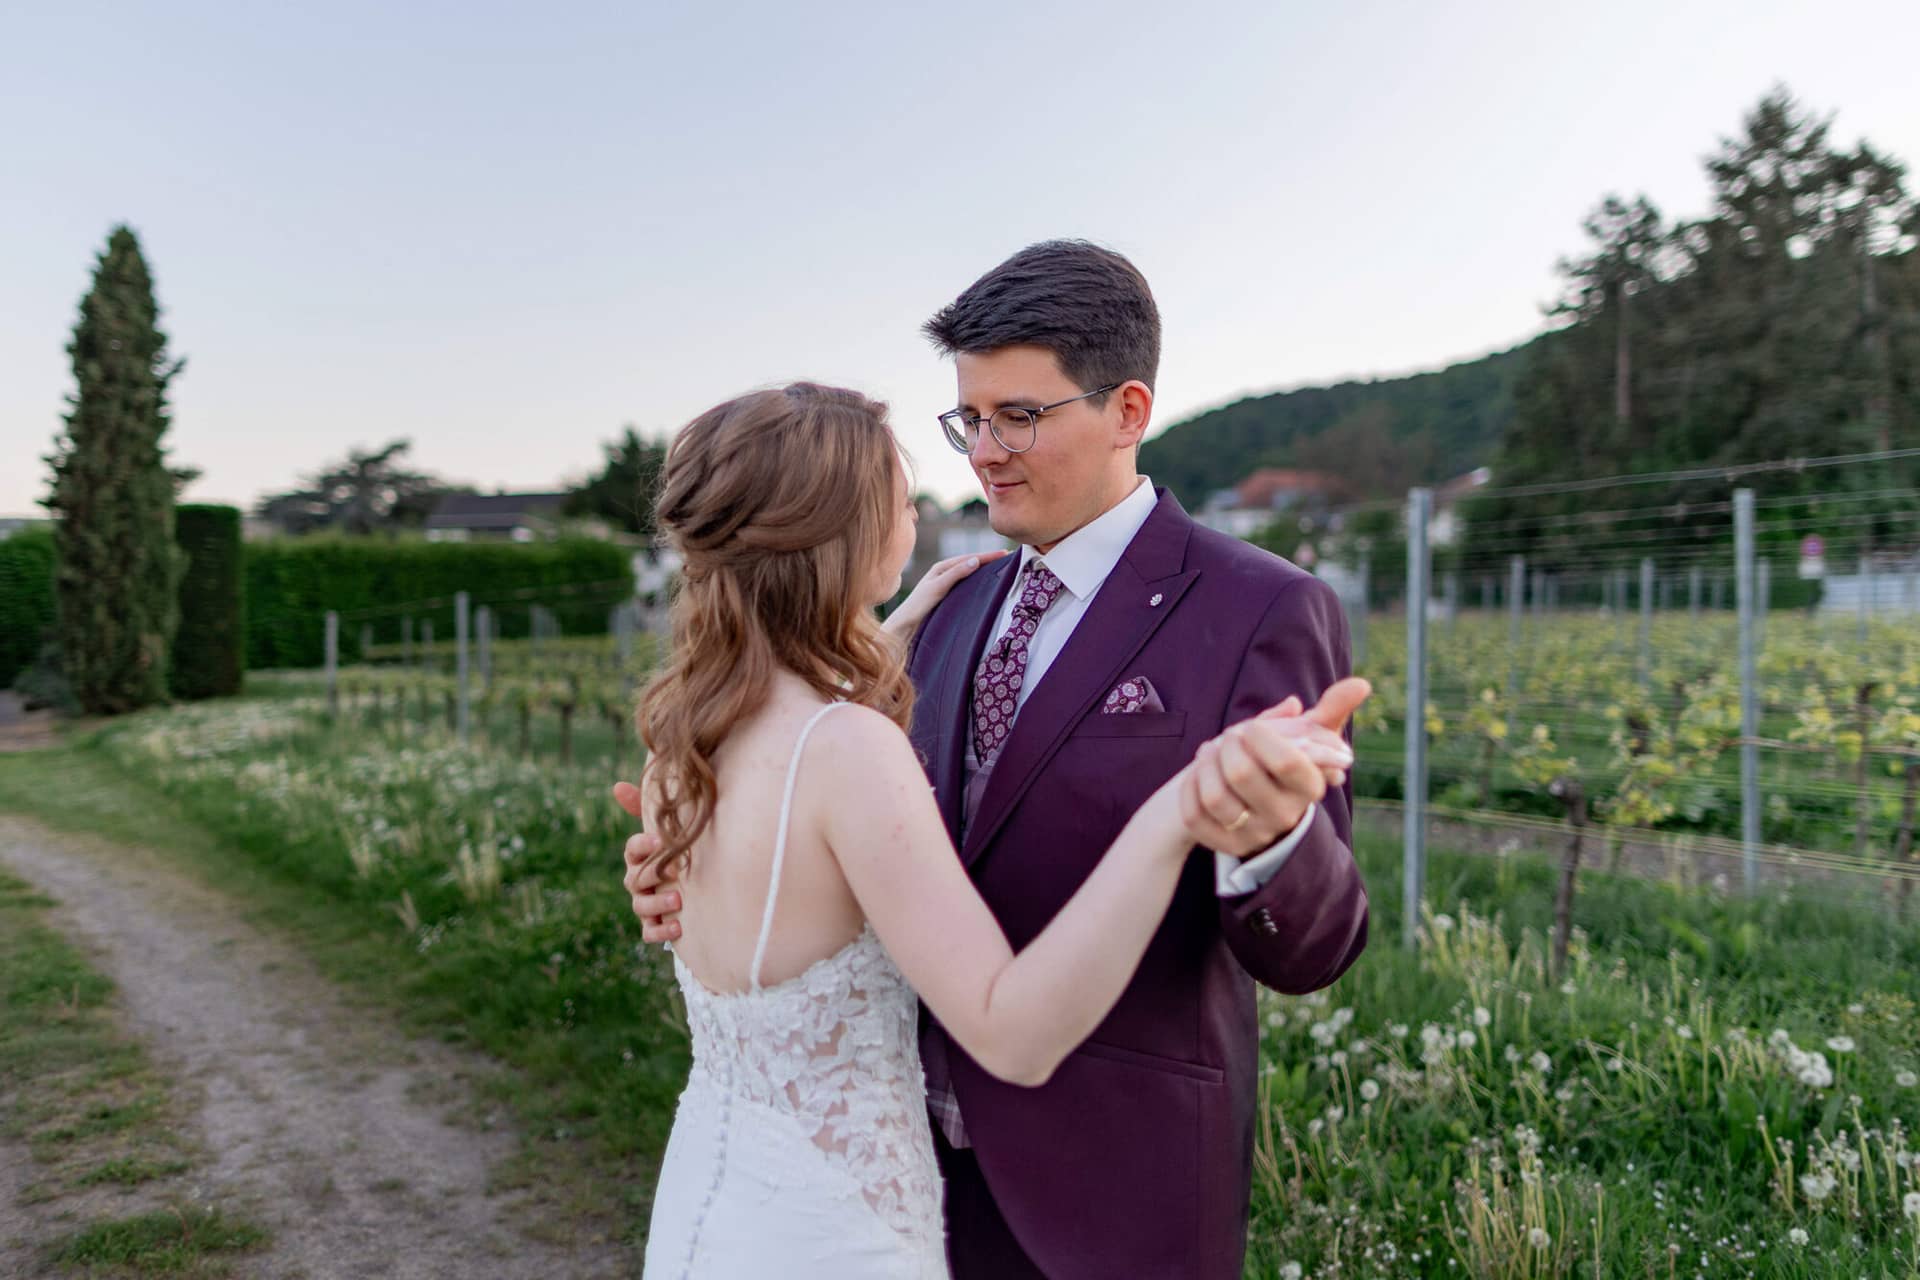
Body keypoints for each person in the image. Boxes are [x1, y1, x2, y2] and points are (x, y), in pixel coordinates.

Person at [624, 377, 1365, 1279]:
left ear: (1127, 410)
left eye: (1016, 418)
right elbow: (1000, 1019)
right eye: (910, 490)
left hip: (727, 1205)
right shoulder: (857, 729)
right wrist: (1178, 812)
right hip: (855, 1225)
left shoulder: (684, 743)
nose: (977, 456)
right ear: (846, 529)